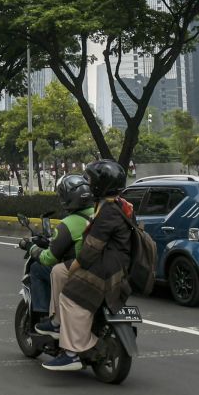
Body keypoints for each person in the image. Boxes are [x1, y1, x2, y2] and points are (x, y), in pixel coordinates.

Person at [42, 159, 133, 372]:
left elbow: (90, 250)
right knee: (58, 271)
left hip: (107, 269)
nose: (88, 183)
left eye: (90, 180)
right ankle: (56, 322)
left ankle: (72, 353)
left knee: (70, 296)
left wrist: (75, 267)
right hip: (114, 264)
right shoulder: (116, 204)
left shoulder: (108, 212)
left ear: (101, 185)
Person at [29, 175, 96, 336]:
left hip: (78, 271)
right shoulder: (100, 214)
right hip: (101, 269)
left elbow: (49, 258)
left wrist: (31, 248)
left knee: (37, 268)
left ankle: (49, 317)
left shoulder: (68, 224)